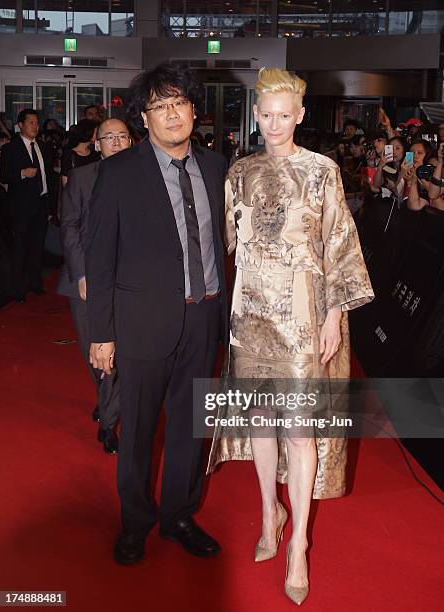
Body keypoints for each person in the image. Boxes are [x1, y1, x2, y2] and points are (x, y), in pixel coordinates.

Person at [208, 68, 374, 605]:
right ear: (256, 113)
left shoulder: (322, 171)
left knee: (300, 432)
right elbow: (232, 246)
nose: (274, 125)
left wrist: (333, 316)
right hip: (250, 315)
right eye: (266, 115)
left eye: (285, 116)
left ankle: (299, 543)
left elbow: (340, 249)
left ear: (301, 115)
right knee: (260, 422)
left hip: (303, 317)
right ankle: (267, 513)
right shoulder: (239, 171)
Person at [85, 63, 229, 565]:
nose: (172, 114)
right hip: (143, 320)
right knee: (140, 429)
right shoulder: (118, 171)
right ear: (145, 117)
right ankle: (136, 521)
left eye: (180, 103)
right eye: (160, 105)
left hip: (204, 316)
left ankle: (180, 516)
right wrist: (101, 334)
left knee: (192, 425)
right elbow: (98, 255)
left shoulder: (215, 166)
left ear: (194, 110)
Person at [57, 118, 132, 454]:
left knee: (119, 358)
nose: (116, 142)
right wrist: (84, 274)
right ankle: (106, 402)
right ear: (96, 143)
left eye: (122, 137)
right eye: (109, 137)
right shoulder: (82, 177)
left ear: (131, 142)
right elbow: (69, 226)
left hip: (128, 284)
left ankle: (108, 421)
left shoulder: (143, 180)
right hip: (85, 283)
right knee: (95, 354)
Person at [0, 109, 54, 302]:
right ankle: (18, 289)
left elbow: (49, 176)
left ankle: (35, 283)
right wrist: (22, 173)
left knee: (37, 246)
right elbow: (3, 176)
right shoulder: (10, 148)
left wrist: (50, 205)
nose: (35, 126)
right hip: (21, 206)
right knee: (20, 247)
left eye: (37, 123)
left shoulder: (42, 146)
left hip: (42, 203)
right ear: (20, 125)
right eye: (31, 122)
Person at [61, 119, 99, 188]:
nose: (98, 135)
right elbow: (65, 183)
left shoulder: (95, 155)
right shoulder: (70, 155)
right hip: (76, 195)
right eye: (96, 132)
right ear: (89, 132)